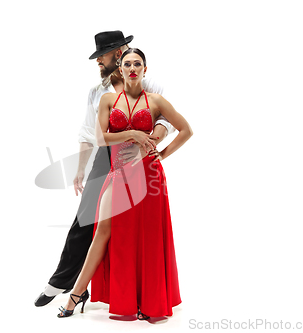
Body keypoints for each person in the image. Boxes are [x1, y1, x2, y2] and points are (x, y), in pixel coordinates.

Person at [35, 31, 172, 306]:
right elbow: (88, 134)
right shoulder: (97, 92)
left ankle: (135, 290)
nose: (98, 61)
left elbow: (166, 121)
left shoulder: (151, 83)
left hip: (140, 158)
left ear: (119, 53)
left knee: (134, 224)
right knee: (86, 217)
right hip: (106, 155)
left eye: (102, 56)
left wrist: (148, 144)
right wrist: (80, 170)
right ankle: (62, 282)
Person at [57, 48, 192, 320]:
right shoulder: (108, 99)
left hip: (149, 175)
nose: (132, 68)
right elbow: (100, 138)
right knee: (103, 232)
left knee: (148, 236)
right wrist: (131, 133)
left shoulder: (156, 101)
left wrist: (159, 153)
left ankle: (146, 301)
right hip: (118, 173)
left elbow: (186, 130)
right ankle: (76, 294)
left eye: (137, 64)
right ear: (120, 67)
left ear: (145, 69)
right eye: (127, 64)